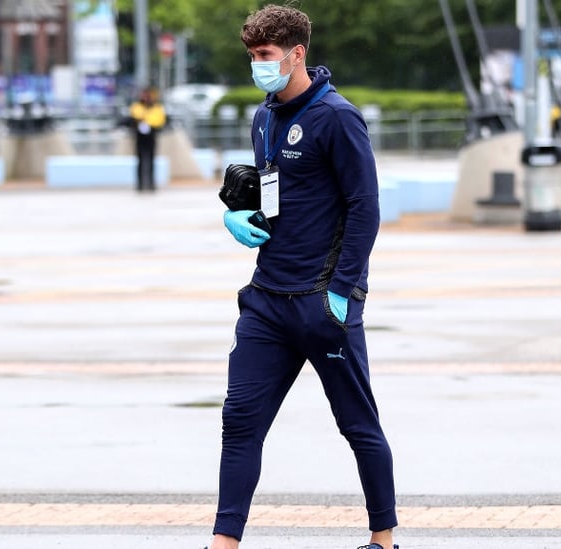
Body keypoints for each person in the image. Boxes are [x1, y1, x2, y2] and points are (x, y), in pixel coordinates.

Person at [208, 5, 398, 549]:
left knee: (358, 427)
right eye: (252, 57)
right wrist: (238, 215)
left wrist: (342, 292)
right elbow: (271, 196)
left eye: (265, 57)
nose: (258, 67)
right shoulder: (263, 117)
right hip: (266, 301)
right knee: (239, 421)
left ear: (297, 54)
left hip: (322, 302)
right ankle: (224, 543)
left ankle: (383, 540)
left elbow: (365, 207)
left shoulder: (337, 117)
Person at [127, 87, 167, 192]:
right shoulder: (137, 106)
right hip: (140, 137)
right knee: (140, 161)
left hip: (151, 135)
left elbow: (159, 120)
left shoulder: (157, 107)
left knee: (151, 161)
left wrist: (147, 121)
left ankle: (151, 184)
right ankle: (140, 185)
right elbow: (134, 116)